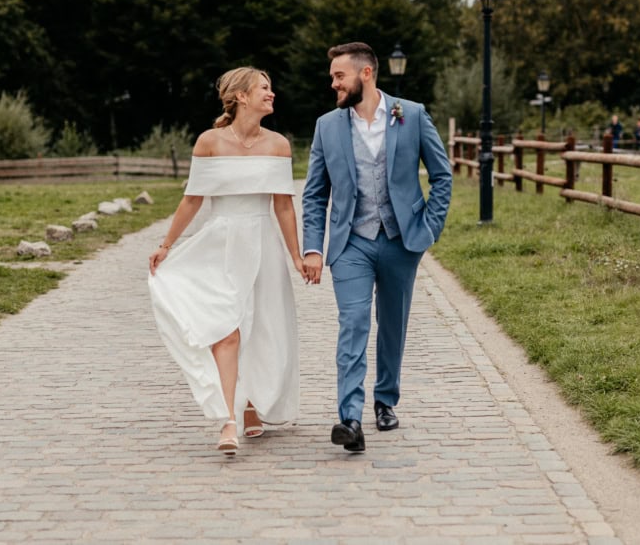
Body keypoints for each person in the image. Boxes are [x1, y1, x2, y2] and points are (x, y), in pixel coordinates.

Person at [301, 42, 452, 453]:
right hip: (351, 242)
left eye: (339, 75)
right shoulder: (327, 126)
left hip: (402, 240)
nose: (332, 83)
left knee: (392, 324)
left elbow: (443, 176)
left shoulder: (412, 114)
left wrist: (429, 228)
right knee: (353, 323)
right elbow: (314, 195)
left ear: (365, 74)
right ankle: (350, 417)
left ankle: (386, 399)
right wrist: (312, 247)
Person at [148, 67, 305, 457]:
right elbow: (192, 198)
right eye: (264, 88)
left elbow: (283, 206)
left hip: (263, 244)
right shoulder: (210, 142)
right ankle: (228, 418)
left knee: (263, 326)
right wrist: (167, 244)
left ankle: (252, 404)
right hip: (221, 243)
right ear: (240, 97)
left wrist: (296, 256)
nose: (272, 94)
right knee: (227, 328)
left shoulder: (278, 145)